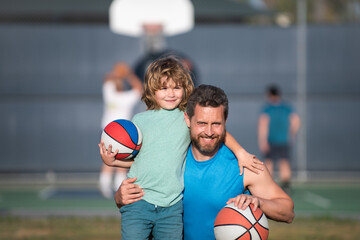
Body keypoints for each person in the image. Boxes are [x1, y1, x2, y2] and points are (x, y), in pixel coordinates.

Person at [99, 57, 263, 239]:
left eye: (176, 87)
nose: (171, 93)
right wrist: (113, 162)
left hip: (172, 207)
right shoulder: (139, 121)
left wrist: (241, 153)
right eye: (164, 88)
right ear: (152, 90)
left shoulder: (185, 118)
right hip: (138, 201)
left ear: (185, 89)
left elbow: (219, 130)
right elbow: (142, 161)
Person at [115, 84, 295, 240]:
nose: (209, 132)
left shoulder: (244, 165)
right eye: (201, 123)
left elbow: (287, 211)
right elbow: (136, 190)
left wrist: (258, 201)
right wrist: (120, 197)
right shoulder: (173, 156)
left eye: (216, 124)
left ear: (225, 121)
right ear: (187, 119)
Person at [99, 62, 143, 199]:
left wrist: (118, 73)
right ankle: (112, 185)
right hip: (120, 132)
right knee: (122, 159)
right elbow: (138, 89)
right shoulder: (125, 98)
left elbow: (108, 80)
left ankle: (106, 184)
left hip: (108, 130)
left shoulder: (109, 91)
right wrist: (129, 75)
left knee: (109, 159)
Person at [258, 84, 301, 194]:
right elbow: (296, 121)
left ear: (270, 95)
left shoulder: (268, 109)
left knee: (269, 163)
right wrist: (292, 133)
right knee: (284, 163)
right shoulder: (286, 108)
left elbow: (263, 124)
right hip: (284, 140)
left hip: (271, 140)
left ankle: (268, 186)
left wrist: (263, 141)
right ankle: (286, 187)